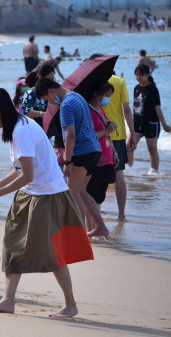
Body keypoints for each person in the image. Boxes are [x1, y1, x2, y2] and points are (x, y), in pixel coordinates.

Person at [0, 88, 93, 318]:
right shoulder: (16, 127)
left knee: (52, 252)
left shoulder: (21, 131)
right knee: (12, 243)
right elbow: (19, 170)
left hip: (47, 196)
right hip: (30, 193)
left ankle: (71, 304)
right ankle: (8, 300)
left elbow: (27, 176)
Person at [35, 78, 109, 238]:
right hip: (93, 150)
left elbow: (70, 134)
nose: (51, 103)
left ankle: (79, 234)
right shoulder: (78, 97)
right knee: (82, 191)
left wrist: (67, 161)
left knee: (73, 193)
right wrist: (95, 152)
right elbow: (87, 127)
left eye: (47, 100)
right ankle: (101, 227)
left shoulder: (67, 105)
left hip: (81, 152)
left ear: (50, 91)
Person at [103, 65, 137, 222]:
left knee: (96, 172)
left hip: (99, 132)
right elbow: (127, 110)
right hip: (117, 133)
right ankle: (121, 215)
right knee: (119, 174)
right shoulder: (119, 81)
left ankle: (97, 208)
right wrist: (133, 133)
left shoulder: (93, 82)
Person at [85, 81, 119, 226]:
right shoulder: (89, 110)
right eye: (107, 95)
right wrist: (107, 130)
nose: (108, 98)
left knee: (100, 196)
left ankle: (96, 227)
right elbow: (89, 135)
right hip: (96, 157)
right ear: (96, 94)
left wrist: (115, 152)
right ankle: (91, 228)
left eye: (110, 95)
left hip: (107, 157)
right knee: (91, 194)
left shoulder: (100, 108)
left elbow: (107, 135)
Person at [131, 65, 171, 174]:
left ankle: (153, 172)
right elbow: (135, 107)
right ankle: (128, 170)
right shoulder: (136, 88)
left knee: (152, 150)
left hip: (151, 123)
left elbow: (158, 108)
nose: (138, 77)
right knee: (129, 147)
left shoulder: (153, 89)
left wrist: (164, 125)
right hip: (137, 123)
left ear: (148, 75)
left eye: (141, 75)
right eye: (137, 75)